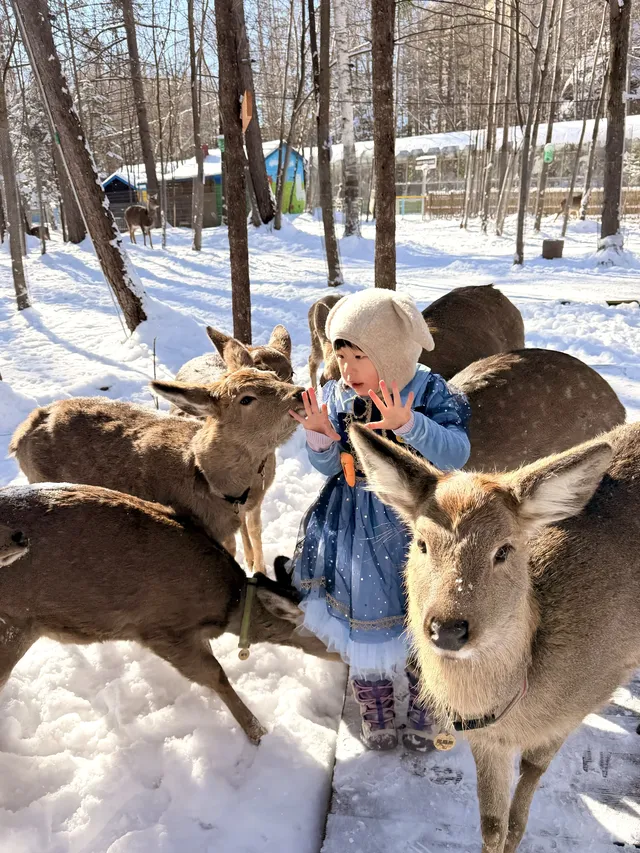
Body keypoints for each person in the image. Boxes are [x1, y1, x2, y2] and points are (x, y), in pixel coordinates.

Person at [289, 289, 471, 751]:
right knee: (368, 610)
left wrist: (411, 425)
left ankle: (428, 699)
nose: (347, 369)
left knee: (421, 608)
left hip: (417, 521)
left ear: (390, 353)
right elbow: (332, 469)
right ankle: (375, 700)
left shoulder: (428, 391)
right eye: (341, 354)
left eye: (360, 356)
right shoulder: (337, 394)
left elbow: (457, 454)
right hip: (353, 523)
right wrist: (322, 441)